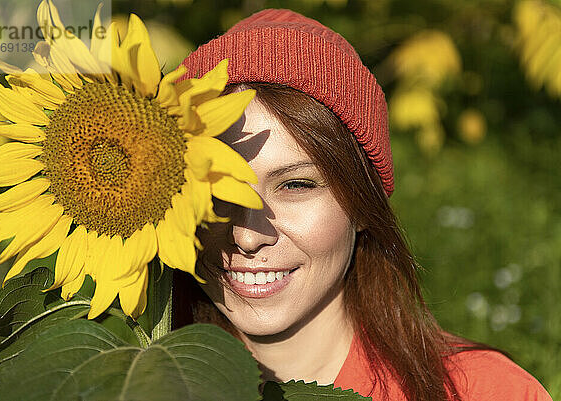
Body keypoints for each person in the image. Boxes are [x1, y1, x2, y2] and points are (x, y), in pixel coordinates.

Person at [172, 9, 553, 401]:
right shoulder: (125, 383)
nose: (248, 236)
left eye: (296, 184)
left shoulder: (487, 393)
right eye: (218, 190)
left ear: (360, 205)